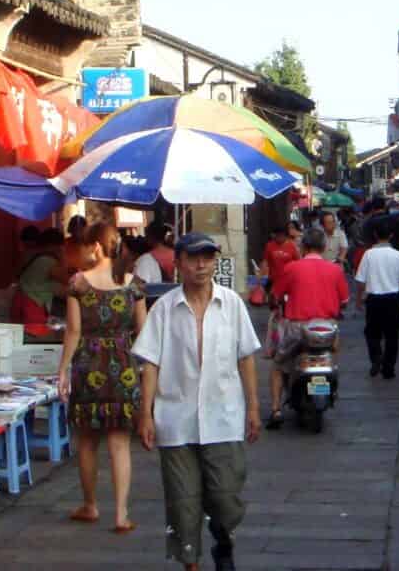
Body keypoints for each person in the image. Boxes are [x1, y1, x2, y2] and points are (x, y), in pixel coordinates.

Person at [132, 234, 261, 571]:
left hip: (224, 417)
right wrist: (145, 414)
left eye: (207, 257)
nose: (201, 265)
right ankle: (191, 562)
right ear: (178, 263)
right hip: (175, 419)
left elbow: (246, 356)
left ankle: (223, 537)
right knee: (182, 502)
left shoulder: (231, 304)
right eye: (193, 258)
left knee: (225, 496)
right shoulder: (163, 309)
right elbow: (150, 363)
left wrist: (254, 407)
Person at [58, 222, 149, 534]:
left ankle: (90, 504)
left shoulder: (79, 283)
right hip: (123, 365)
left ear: (96, 246)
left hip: (89, 365)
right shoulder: (134, 284)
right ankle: (121, 514)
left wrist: (63, 370)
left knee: (86, 440)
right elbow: (143, 331)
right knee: (120, 442)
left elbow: (73, 331)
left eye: (85, 246)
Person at [265, 228, 349, 427]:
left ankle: (276, 409)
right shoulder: (335, 270)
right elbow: (344, 300)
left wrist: (274, 303)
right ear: (324, 247)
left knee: (278, 366)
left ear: (303, 247)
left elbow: (276, 296)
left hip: (297, 328)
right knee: (331, 355)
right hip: (328, 328)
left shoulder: (292, 268)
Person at [354, 217, 399, 379]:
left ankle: (376, 359)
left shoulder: (368, 255)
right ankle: (389, 368)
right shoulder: (398, 255)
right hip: (392, 300)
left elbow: (360, 280)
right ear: (392, 235)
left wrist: (358, 299)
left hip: (373, 300)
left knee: (372, 333)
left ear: (375, 235)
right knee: (392, 335)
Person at [16, 226, 68, 321]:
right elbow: (68, 281)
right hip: (32, 310)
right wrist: (63, 258)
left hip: (21, 304)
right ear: (54, 246)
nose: (63, 249)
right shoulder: (47, 261)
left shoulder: (36, 257)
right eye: (61, 247)